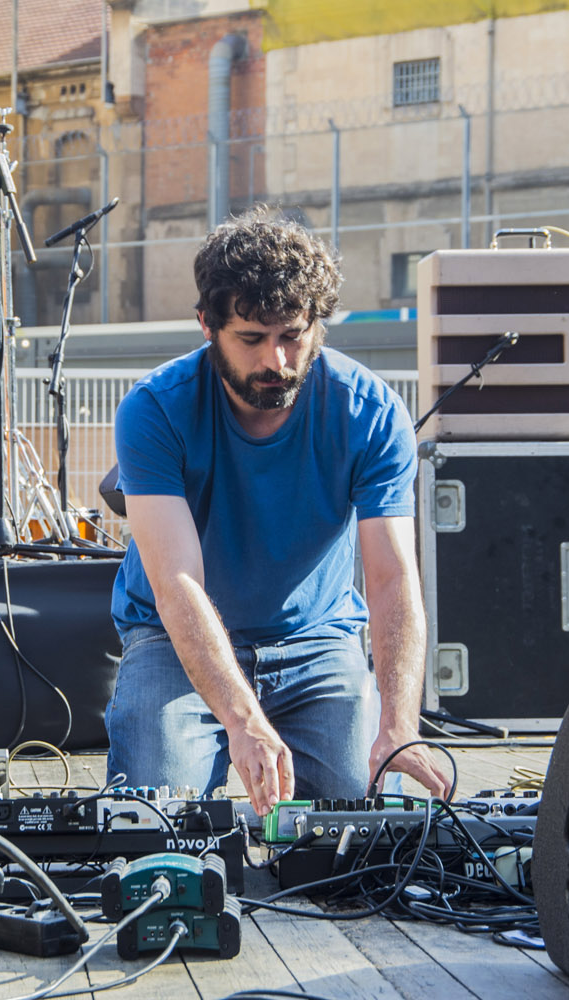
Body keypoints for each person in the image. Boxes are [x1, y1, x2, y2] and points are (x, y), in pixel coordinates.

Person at [106, 209, 451, 817]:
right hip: (172, 642)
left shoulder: (371, 412)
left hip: (317, 641)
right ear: (207, 325)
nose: (278, 361)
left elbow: (392, 577)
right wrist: (244, 721)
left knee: (364, 816)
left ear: (317, 323)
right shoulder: (154, 410)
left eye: (293, 335)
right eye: (251, 339)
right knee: (155, 816)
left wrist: (399, 725)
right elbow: (177, 584)